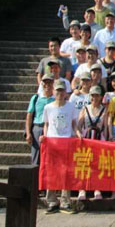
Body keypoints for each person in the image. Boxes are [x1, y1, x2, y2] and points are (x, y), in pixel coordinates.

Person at [42, 80, 79, 214]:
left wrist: (78, 133)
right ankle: (52, 201)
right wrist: (45, 136)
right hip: (52, 142)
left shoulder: (71, 106)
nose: (60, 93)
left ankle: (65, 201)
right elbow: (46, 124)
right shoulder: (48, 107)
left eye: (62, 90)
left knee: (66, 173)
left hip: (66, 141)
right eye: (57, 90)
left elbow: (74, 123)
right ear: (53, 91)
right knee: (52, 172)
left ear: (65, 92)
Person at [76, 85, 107, 201]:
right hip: (86, 139)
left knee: (97, 165)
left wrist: (106, 139)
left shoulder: (104, 110)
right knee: (83, 164)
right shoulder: (85, 109)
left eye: (97, 95)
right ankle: (82, 189)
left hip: (98, 139)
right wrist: (79, 135)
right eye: (93, 95)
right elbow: (78, 125)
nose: (95, 98)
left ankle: (97, 188)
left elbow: (105, 127)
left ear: (101, 97)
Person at [26, 73, 55, 166]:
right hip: (37, 128)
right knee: (36, 157)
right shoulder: (36, 98)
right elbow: (29, 116)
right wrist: (28, 133)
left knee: (50, 158)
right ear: (42, 84)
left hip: (51, 129)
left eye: (50, 83)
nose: (47, 85)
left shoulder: (56, 99)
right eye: (45, 83)